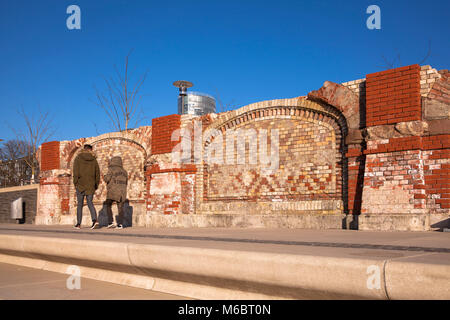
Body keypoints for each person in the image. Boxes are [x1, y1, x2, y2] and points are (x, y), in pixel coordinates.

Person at [72, 144, 100, 229]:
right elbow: (97, 173)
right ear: (91, 150)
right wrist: (96, 185)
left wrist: (75, 183)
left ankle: (78, 224)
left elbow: (75, 172)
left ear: (84, 149)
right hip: (91, 184)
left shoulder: (78, 158)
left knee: (80, 204)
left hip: (80, 184)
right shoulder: (94, 160)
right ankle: (95, 220)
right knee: (90, 203)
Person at [103, 156, 128, 229]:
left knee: (108, 204)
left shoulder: (111, 169)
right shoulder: (124, 171)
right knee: (120, 207)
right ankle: (120, 224)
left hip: (113, 190)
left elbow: (107, 179)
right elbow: (127, 182)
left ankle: (110, 222)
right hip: (122, 191)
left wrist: (104, 176)